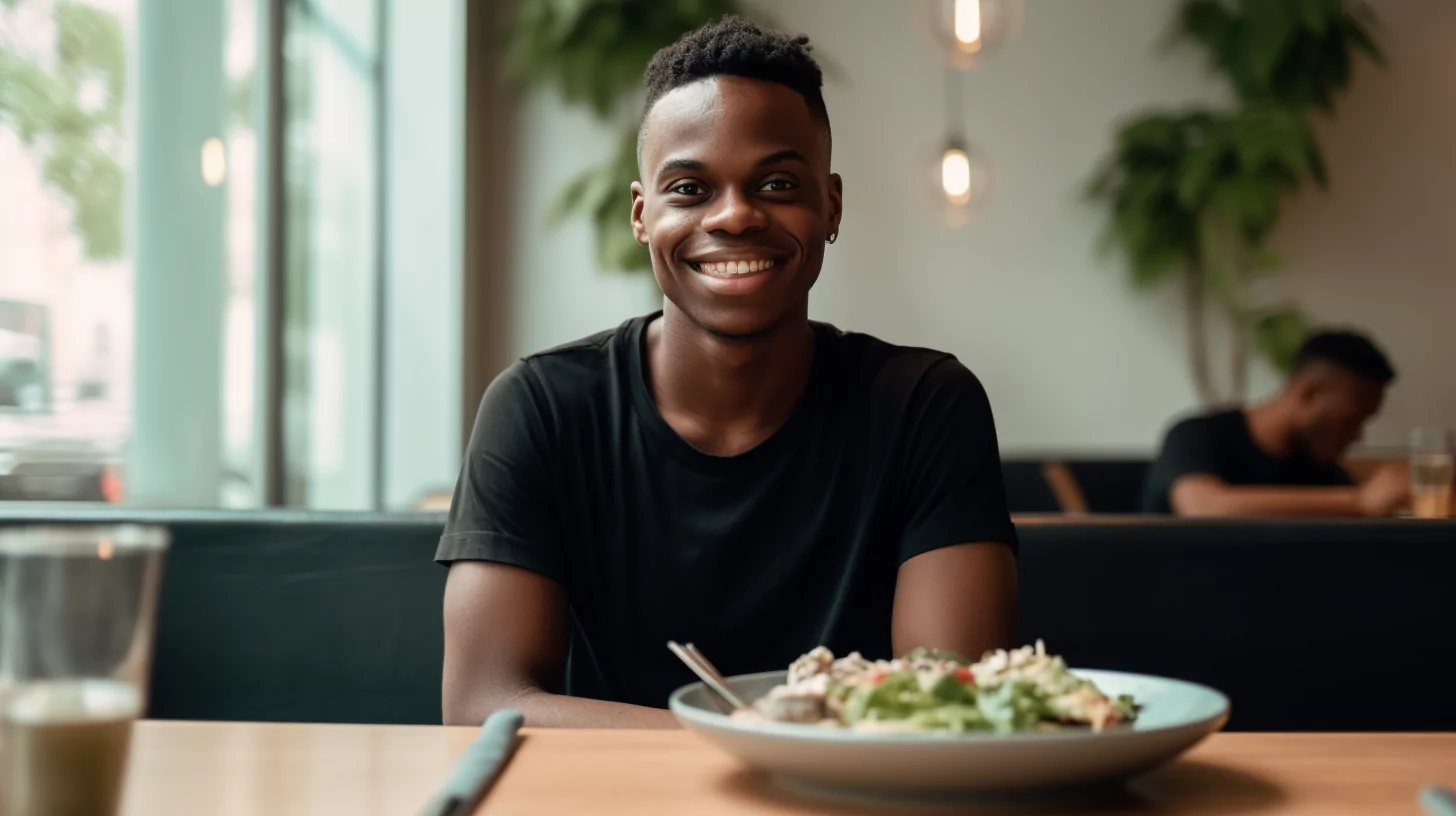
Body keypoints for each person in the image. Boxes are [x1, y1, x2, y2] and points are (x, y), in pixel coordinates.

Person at [438, 17, 1019, 728]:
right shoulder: (541, 406)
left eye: (776, 183)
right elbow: (482, 704)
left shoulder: (925, 407)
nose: (735, 215)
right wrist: (749, 742)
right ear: (642, 215)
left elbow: (950, 706)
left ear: (830, 205)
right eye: (689, 188)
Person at [1141, 329, 1408, 517]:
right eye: (1351, 420)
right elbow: (1203, 507)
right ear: (1309, 393)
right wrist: (1360, 502)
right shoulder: (1195, 435)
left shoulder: (1321, 472)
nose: (1358, 436)